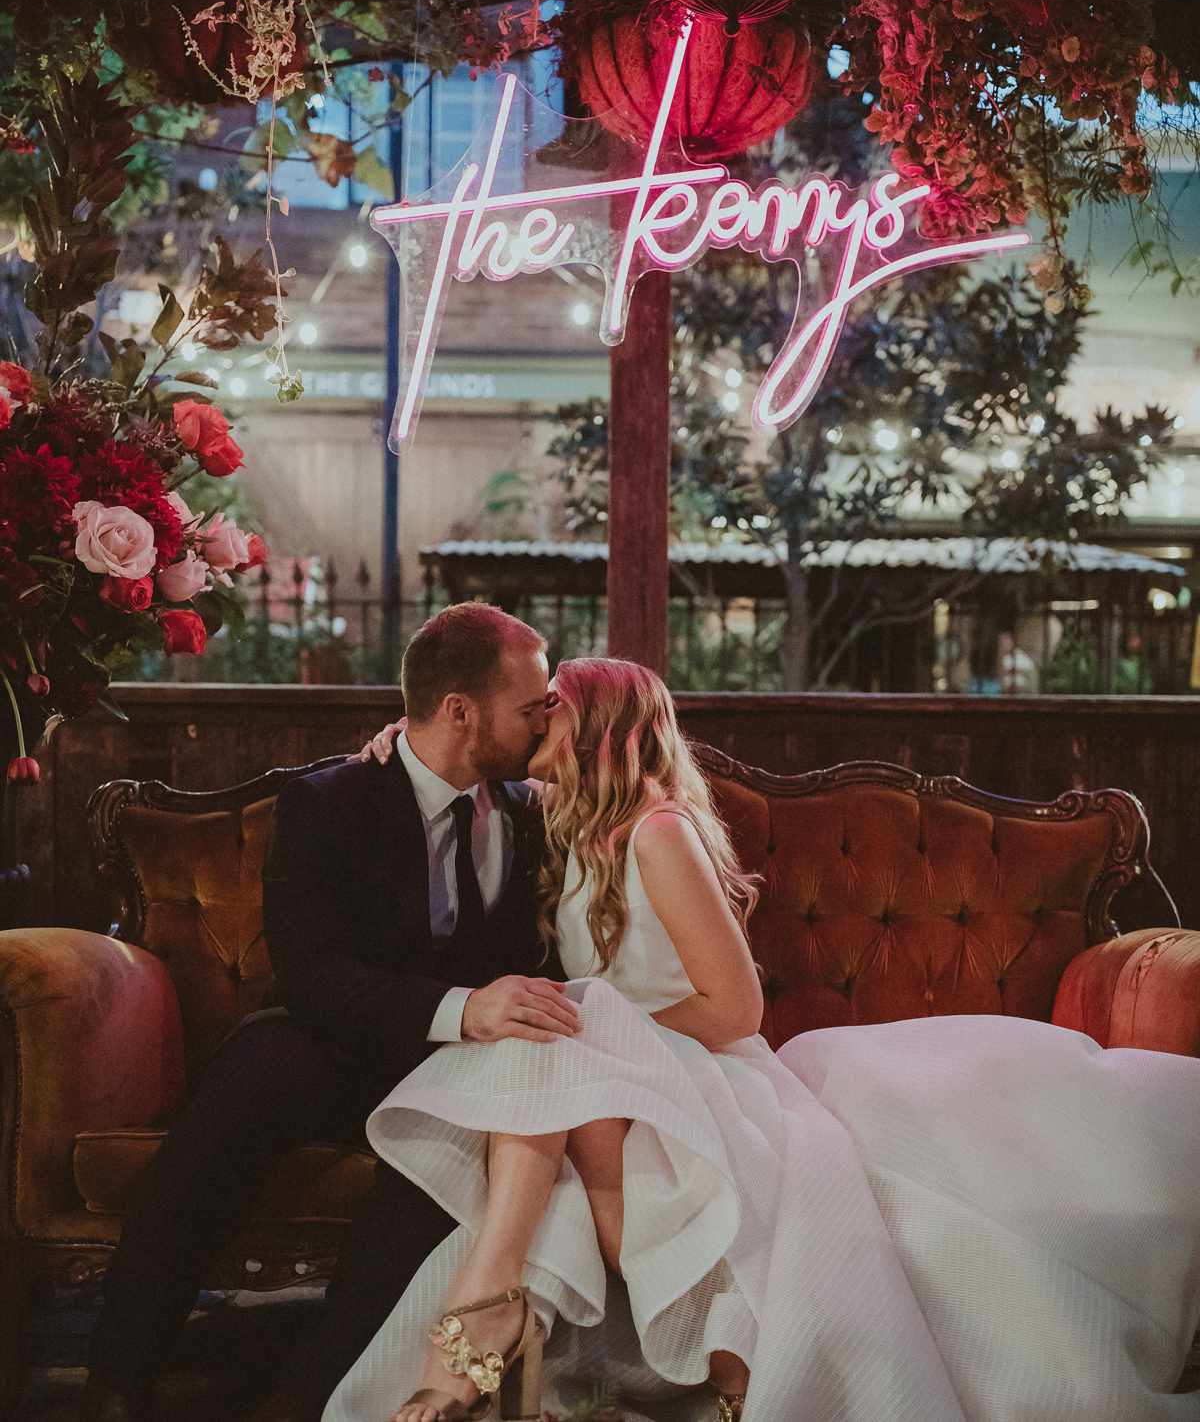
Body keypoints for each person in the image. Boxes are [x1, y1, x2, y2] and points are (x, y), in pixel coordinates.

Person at [327, 657, 1200, 1422]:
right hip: (621, 1072)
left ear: (597, 722)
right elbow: (447, 764)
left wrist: (610, 1033)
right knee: (549, 1060)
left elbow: (736, 1008)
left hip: (704, 1061)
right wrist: (396, 741)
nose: (536, 718)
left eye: (551, 705)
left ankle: (551, 1337)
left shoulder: (657, 833)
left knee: (558, 1058)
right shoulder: (559, 823)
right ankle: (591, 1337)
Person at [79, 604, 567, 1422]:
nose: (544, 723)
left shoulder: (529, 810)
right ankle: (116, 1383)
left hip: (458, 1077)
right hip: (333, 1042)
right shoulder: (330, 802)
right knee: (249, 1085)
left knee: (429, 1184)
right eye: (530, 708)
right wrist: (462, 1007)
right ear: (459, 712)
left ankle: (303, 1403)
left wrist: (478, 1025)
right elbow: (310, 975)